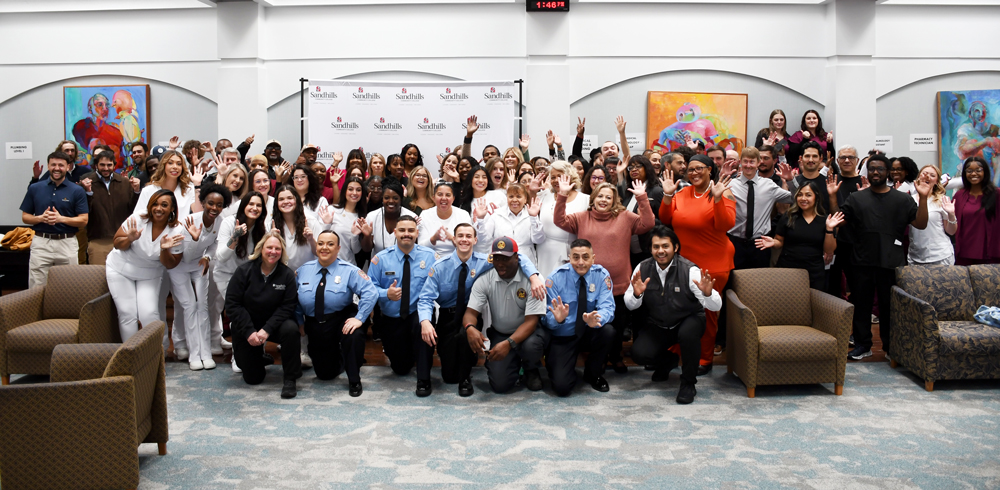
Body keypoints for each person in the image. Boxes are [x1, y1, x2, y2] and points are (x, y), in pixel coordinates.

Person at [417, 223, 542, 396]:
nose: (464, 240)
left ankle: (466, 378)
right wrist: (425, 321)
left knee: (467, 335)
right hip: (448, 316)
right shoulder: (440, 267)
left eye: (468, 236)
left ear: (475, 240)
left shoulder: (486, 261)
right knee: (449, 376)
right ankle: (455, 369)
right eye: (460, 236)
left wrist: (534, 276)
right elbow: (425, 298)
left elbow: (517, 257)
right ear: (454, 239)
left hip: (471, 313)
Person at [831, 154, 931, 360]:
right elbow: (838, 221)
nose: (875, 172)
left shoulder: (902, 199)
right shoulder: (857, 198)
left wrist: (922, 198)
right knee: (861, 306)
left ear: (888, 173)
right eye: (872, 169)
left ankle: (891, 348)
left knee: (889, 307)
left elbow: (920, 224)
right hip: (861, 261)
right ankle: (862, 345)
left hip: (891, 262)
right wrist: (833, 196)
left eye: (880, 169)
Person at [554, 174, 655, 374]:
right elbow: (559, 220)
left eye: (609, 197)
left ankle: (616, 356)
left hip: (618, 283)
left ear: (614, 200)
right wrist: (562, 196)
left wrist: (642, 198)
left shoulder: (625, 217)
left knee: (617, 324)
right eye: (600, 196)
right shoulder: (581, 217)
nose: (604, 200)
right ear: (593, 198)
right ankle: (597, 358)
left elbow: (648, 224)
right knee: (596, 323)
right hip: (588, 284)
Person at [624, 226, 721, 404]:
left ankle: (688, 383)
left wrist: (707, 294)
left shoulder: (689, 270)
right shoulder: (642, 268)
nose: (660, 251)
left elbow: (716, 306)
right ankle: (668, 361)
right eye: (656, 247)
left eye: (665, 246)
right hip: (659, 323)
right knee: (638, 354)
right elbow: (630, 304)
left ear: (675, 247)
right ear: (650, 249)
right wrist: (637, 295)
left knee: (688, 334)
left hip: (688, 320)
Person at [658, 154, 735, 374]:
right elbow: (665, 219)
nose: (694, 173)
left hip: (713, 263)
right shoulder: (682, 193)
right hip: (684, 264)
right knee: (681, 308)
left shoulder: (724, 191)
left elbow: (725, 225)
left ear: (710, 169)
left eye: (699, 168)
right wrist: (667, 195)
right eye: (690, 169)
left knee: (706, 312)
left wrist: (718, 199)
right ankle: (679, 352)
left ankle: (705, 358)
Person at [297, 230, 378, 397]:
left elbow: (371, 292)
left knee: (353, 334)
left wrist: (359, 318)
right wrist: (299, 321)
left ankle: (354, 379)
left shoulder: (349, 270)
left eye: (330, 244)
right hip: (315, 323)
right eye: (321, 243)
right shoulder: (303, 270)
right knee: (324, 374)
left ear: (338, 248)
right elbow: (293, 298)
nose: (324, 247)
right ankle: (340, 358)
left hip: (341, 317)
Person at [462, 237, 547, 394]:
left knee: (531, 346)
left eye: (506, 258)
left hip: (529, 334)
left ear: (516, 258)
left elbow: (531, 322)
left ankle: (530, 368)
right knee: (500, 386)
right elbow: (470, 312)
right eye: (497, 258)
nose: (500, 263)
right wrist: (470, 327)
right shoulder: (485, 279)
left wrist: (509, 344)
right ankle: (514, 365)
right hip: (501, 333)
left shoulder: (534, 281)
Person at [226, 230, 301, 399]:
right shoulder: (243, 271)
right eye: (269, 247)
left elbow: (288, 306)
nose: (273, 252)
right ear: (261, 249)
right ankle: (259, 358)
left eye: (277, 248)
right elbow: (232, 304)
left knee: (291, 329)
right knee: (253, 379)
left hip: (276, 325)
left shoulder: (287, 274)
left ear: (282, 252)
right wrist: (249, 331)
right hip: (249, 325)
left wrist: (267, 329)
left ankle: (290, 378)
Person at [367, 216, 437, 392]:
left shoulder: (430, 257)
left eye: (411, 230)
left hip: (418, 312)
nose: (407, 234)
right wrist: (386, 293)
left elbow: (438, 285)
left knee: (423, 328)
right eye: (402, 230)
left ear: (417, 233)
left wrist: (426, 318)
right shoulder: (381, 259)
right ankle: (410, 353)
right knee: (400, 368)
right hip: (392, 318)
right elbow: (368, 289)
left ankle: (424, 379)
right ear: (395, 232)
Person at [539, 239, 616, 396]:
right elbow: (545, 319)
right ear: (569, 258)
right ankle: (564, 370)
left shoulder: (601, 275)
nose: (580, 262)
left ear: (593, 258)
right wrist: (558, 319)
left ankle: (593, 373)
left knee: (608, 331)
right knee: (561, 387)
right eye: (575, 257)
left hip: (589, 330)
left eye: (585, 257)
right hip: (563, 334)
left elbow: (608, 307)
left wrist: (597, 318)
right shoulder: (555, 279)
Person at [106, 189, 184, 342]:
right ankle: (130, 352)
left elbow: (171, 264)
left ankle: (157, 352)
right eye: (155, 204)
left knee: (148, 313)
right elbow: (117, 243)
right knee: (127, 313)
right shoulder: (138, 218)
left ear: (172, 208)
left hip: (149, 274)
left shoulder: (177, 230)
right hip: (121, 269)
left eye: (164, 205)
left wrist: (164, 249)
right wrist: (129, 239)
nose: (158, 208)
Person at [170, 183, 232, 370]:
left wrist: (207, 257)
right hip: (179, 266)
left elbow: (214, 244)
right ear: (203, 202)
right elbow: (186, 256)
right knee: (189, 306)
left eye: (219, 205)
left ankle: (206, 353)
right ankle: (194, 354)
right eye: (210, 203)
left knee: (203, 307)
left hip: (199, 265)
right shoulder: (189, 221)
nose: (214, 208)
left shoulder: (221, 222)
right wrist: (195, 240)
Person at [215, 191, 269, 371]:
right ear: (243, 206)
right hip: (226, 275)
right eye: (251, 204)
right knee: (239, 313)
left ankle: (256, 353)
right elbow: (221, 257)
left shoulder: (262, 227)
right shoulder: (229, 222)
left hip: (249, 277)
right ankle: (237, 357)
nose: (254, 208)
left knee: (255, 312)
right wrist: (235, 237)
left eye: (259, 205)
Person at [20, 151, 89, 288]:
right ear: (48, 166)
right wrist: (40, 218)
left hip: (67, 243)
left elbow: (83, 220)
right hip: (41, 243)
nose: (57, 168)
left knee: (68, 287)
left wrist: (61, 219)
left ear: (68, 167)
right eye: (53, 165)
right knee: (37, 287)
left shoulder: (77, 190)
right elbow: (25, 217)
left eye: (61, 165)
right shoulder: (35, 188)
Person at [756, 183, 843, 290]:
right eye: (800, 195)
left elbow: (829, 250)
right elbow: (779, 241)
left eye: (808, 195)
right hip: (788, 269)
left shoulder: (825, 220)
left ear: (816, 197)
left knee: (813, 299)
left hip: (814, 272)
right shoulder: (788, 216)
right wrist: (774, 242)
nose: (803, 198)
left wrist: (829, 229)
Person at [728, 147, 794, 270]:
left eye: (752, 161)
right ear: (740, 162)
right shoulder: (730, 185)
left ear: (758, 163)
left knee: (759, 280)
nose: (748, 165)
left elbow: (795, 199)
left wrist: (791, 181)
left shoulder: (768, 185)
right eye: (745, 161)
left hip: (760, 244)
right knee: (734, 278)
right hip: (735, 242)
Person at [80, 150, 140, 265]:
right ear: (96, 165)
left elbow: (134, 210)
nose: (106, 168)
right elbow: (84, 212)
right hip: (98, 241)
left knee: (123, 274)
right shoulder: (86, 184)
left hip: (123, 239)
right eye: (102, 165)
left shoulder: (124, 183)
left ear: (114, 165)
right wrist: (88, 193)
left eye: (109, 165)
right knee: (98, 275)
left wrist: (136, 191)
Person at [474, 183, 544, 266]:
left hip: (526, 262)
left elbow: (538, 240)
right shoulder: (497, 215)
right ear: (506, 198)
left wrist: (534, 218)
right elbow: (483, 239)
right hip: (501, 261)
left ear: (525, 199)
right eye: (511, 196)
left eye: (518, 196)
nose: (514, 200)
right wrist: (480, 219)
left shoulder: (531, 215)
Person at [908, 165, 957, 265]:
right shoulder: (909, 200)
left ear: (937, 182)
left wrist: (951, 214)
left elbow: (951, 231)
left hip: (941, 255)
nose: (927, 177)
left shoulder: (942, 200)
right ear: (918, 177)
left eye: (932, 175)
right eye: (924, 173)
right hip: (916, 256)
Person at [952, 156, 998, 265]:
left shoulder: (996, 194)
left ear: (985, 172)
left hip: (990, 254)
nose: (973, 174)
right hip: (964, 253)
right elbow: (952, 223)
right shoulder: (959, 196)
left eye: (978, 170)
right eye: (969, 171)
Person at [620, 155, 664, 266]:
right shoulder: (629, 192)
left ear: (647, 168)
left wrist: (646, 218)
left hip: (649, 248)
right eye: (630, 167)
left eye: (638, 166)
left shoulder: (656, 191)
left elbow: (665, 222)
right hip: (630, 249)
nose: (634, 170)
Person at [134, 149, 201, 218]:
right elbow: (137, 217)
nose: (175, 167)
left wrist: (197, 185)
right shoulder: (148, 190)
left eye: (179, 164)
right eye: (170, 163)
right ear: (163, 165)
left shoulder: (188, 189)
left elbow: (198, 213)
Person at [361, 177, 417, 255]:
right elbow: (366, 249)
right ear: (382, 199)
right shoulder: (372, 216)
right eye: (387, 198)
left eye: (395, 198)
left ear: (401, 199)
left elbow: (416, 248)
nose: (391, 201)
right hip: (379, 261)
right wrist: (367, 236)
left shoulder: (412, 217)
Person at [417, 182, 472, 258]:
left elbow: (468, 244)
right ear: (433, 198)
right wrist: (433, 239)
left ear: (453, 199)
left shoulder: (463, 215)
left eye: (448, 195)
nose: (444, 198)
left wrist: (452, 239)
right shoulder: (425, 215)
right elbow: (420, 246)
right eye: (440, 194)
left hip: (458, 258)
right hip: (431, 258)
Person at [320, 176, 366, 265]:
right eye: (350, 189)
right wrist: (327, 224)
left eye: (358, 190)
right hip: (327, 263)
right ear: (345, 191)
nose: (354, 193)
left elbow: (356, 250)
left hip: (347, 264)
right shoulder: (332, 210)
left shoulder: (361, 218)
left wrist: (354, 236)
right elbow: (320, 240)